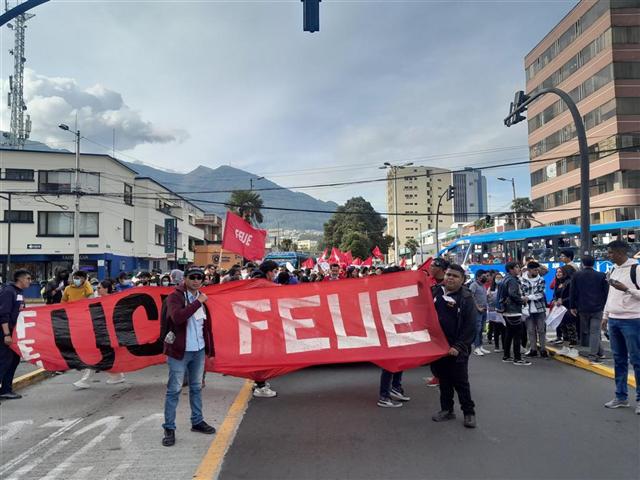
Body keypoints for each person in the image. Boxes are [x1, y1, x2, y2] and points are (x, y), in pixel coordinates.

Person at [161, 267, 216, 446]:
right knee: (174, 390)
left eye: (200, 277)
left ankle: (197, 421)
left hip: (198, 350)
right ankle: (169, 427)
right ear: (184, 279)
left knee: (196, 387)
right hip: (179, 351)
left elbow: (206, 327)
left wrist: (210, 350)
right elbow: (177, 317)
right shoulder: (175, 297)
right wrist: (198, 302)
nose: (196, 280)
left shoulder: (202, 300)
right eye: (192, 277)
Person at [430, 264, 477, 428]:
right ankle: (447, 410)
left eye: (455, 276)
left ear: (462, 280)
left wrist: (458, 346)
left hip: (457, 350)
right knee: (444, 381)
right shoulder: (436, 292)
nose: (450, 278)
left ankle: (469, 413)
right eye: (448, 274)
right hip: (438, 349)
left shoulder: (466, 298)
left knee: (461, 382)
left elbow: (471, 326)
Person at [602, 240, 640, 412]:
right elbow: (611, 296)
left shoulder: (636, 269)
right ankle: (621, 396)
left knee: (637, 360)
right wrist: (606, 315)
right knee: (619, 360)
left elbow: (630, 292)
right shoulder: (613, 270)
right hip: (614, 320)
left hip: (632, 320)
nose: (608, 255)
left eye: (610, 252)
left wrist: (626, 289)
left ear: (620, 252)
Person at [74, 280, 126, 388]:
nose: (97, 289)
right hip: (102, 334)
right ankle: (117, 376)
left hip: (107, 335)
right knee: (105, 357)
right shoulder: (99, 300)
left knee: (97, 356)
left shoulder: (112, 300)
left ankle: (86, 380)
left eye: (99, 288)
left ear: (106, 289)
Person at [377, 266, 410, 408]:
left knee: (400, 362)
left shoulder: (398, 291)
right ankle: (384, 396)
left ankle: (395, 388)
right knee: (389, 365)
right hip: (389, 334)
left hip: (399, 332)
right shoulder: (383, 293)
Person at [248, 260, 279, 398]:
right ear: (268, 272)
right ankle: (260, 386)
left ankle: (259, 382)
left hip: (256, 325)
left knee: (259, 355)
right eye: (274, 271)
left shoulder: (256, 283)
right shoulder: (262, 285)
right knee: (261, 356)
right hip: (260, 325)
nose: (275, 274)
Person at [570, 255, 608, 364]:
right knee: (595, 332)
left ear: (582, 263)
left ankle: (594, 354)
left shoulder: (577, 275)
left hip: (582, 308)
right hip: (598, 308)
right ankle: (596, 353)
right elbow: (606, 293)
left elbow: (573, 292)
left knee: (588, 331)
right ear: (594, 264)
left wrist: (572, 307)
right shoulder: (601, 275)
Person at [0, 269, 31, 400]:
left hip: (15, 333)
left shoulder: (19, 292)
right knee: (4, 361)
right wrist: (6, 334)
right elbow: (3, 314)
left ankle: (6, 389)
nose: (30, 281)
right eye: (28, 278)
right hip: (5, 333)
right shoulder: (8, 291)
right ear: (20, 279)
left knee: (14, 360)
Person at [424, 257, 450, 387]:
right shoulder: (432, 284)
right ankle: (437, 376)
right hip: (433, 324)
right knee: (435, 352)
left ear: (440, 268)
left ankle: (444, 377)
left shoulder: (448, 285)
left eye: (433, 266)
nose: (430, 267)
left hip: (446, 325)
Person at [500, 262, 530, 366]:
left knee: (509, 334)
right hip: (513, 311)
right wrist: (522, 301)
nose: (519, 269)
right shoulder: (512, 280)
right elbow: (512, 294)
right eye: (517, 267)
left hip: (507, 310)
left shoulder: (505, 279)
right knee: (517, 335)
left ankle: (506, 355)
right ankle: (517, 358)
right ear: (511, 269)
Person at [521, 261, 548, 358]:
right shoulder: (522, 280)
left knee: (541, 330)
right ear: (529, 270)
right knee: (531, 330)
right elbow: (521, 293)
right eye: (535, 270)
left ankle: (543, 350)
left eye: (537, 270)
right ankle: (533, 349)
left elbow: (540, 294)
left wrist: (528, 297)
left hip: (540, 309)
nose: (537, 271)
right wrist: (525, 297)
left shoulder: (541, 280)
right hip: (527, 309)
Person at [554, 265, 579, 359]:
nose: (558, 274)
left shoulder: (569, 282)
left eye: (560, 272)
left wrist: (562, 301)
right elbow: (555, 295)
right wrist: (555, 300)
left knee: (571, 329)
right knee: (563, 327)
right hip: (560, 310)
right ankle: (565, 347)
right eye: (557, 272)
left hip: (569, 308)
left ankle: (574, 349)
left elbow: (572, 296)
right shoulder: (558, 283)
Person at [469, 270, 490, 356]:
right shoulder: (474, 285)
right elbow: (471, 296)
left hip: (484, 309)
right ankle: (476, 348)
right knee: (477, 329)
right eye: (484, 276)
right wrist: (477, 307)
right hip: (477, 310)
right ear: (478, 277)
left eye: (486, 276)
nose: (486, 277)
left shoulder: (483, 285)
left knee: (481, 329)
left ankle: (480, 346)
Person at [487, 272, 505, 353]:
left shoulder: (504, 287)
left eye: (500, 277)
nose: (498, 279)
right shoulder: (491, 288)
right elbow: (488, 299)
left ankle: (504, 346)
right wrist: (489, 296)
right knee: (496, 329)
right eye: (497, 278)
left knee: (504, 329)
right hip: (493, 311)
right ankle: (497, 346)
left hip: (503, 311)